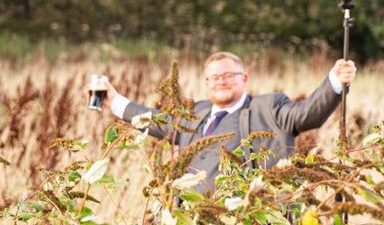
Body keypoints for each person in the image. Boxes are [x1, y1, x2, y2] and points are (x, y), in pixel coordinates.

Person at [96, 52, 356, 194]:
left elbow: (307, 114)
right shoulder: (196, 112)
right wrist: (116, 101)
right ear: (206, 83)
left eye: (228, 75)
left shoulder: (269, 108)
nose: (221, 81)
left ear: (244, 79)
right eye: (214, 77)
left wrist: (334, 81)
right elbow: (160, 123)